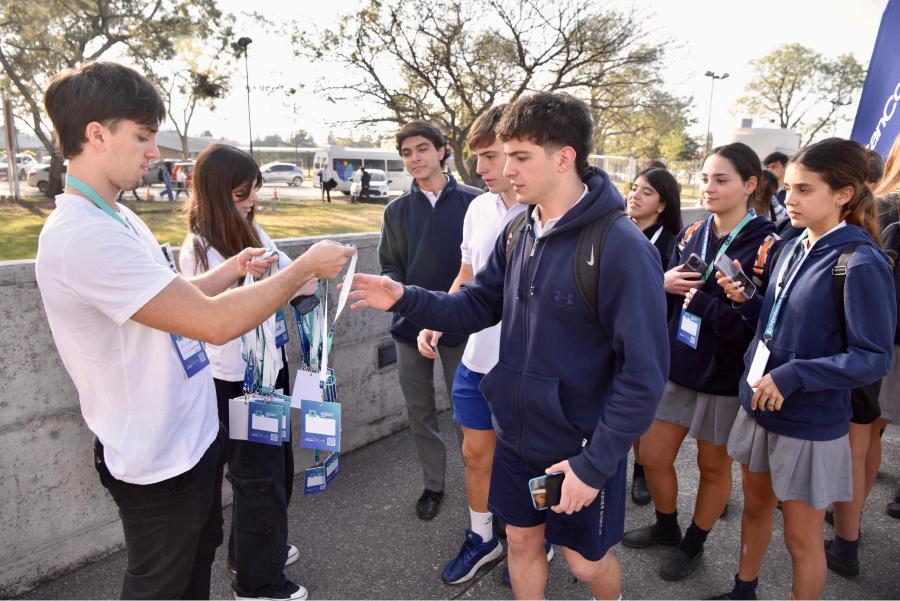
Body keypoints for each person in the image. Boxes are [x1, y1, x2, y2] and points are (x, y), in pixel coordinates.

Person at [34, 61, 353, 600]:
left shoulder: (118, 217)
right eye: (142, 136)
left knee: (197, 566)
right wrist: (302, 269)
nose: (154, 152)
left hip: (192, 436)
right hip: (157, 457)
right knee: (163, 584)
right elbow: (213, 323)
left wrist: (231, 269)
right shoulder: (81, 236)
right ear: (96, 134)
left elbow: (178, 300)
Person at [350, 92, 669, 601]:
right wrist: (405, 297)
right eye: (504, 155)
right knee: (520, 542)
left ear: (564, 157)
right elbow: (476, 305)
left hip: (579, 450)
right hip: (517, 437)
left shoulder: (622, 247)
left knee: (586, 566)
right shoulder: (520, 227)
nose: (505, 169)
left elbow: (644, 374)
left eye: (520, 157)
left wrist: (594, 464)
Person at [713, 137, 895, 600]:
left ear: (843, 194)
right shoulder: (792, 245)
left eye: (804, 190)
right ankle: (743, 589)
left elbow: (873, 357)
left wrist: (795, 375)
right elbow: (781, 325)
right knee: (755, 510)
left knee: (801, 537)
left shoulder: (860, 262)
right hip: (760, 404)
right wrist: (749, 301)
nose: (789, 199)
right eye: (789, 188)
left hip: (810, 421)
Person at [622, 143, 775, 582]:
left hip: (726, 376)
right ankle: (667, 524)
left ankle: (693, 541)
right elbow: (665, 299)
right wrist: (662, 284)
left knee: (713, 466)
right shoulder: (692, 233)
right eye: (705, 178)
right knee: (652, 453)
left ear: (750, 185)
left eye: (721, 179)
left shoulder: (767, 243)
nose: (709, 187)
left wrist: (718, 308)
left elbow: (764, 319)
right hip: (678, 364)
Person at [179, 144, 316, 600]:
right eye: (241, 192)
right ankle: (258, 583)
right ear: (216, 192)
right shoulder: (198, 248)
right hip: (237, 380)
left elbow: (284, 280)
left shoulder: (252, 227)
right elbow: (212, 315)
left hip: (268, 368)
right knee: (258, 476)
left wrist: (301, 280)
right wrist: (283, 281)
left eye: (254, 190)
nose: (251, 201)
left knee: (275, 467)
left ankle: (255, 551)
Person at [413, 105, 534, 585]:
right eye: (476, 158)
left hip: (528, 369)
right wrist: (436, 316)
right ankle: (483, 537)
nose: (479, 170)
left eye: (488, 157)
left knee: (527, 460)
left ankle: (530, 541)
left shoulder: (546, 208)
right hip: (477, 359)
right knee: (475, 455)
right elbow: (466, 273)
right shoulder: (478, 208)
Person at [378, 119, 481, 520]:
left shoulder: (475, 203)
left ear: (442, 151)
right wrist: (409, 307)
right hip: (410, 330)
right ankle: (433, 485)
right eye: (406, 153)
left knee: (468, 414)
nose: (414, 158)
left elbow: (482, 269)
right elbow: (390, 269)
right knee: (419, 412)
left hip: (462, 327)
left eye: (422, 149)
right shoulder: (396, 211)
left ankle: (481, 484)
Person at [625, 167, 682, 506]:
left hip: (649, 340)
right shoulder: (614, 232)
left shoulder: (673, 244)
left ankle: (641, 470)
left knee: (645, 414)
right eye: (634, 188)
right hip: (612, 337)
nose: (635, 195)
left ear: (662, 205)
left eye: (646, 192)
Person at [874, 134, 900, 520]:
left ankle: (848, 533)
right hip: (887, 338)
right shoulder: (885, 207)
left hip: (887, 338)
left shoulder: (884, 209)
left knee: (864, 429)